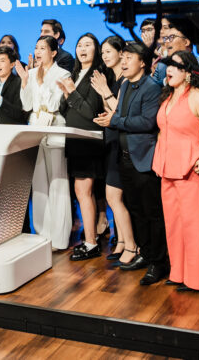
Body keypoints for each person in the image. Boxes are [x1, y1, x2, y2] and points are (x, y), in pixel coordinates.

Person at [95, 42, 166, 285]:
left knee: (153, 214)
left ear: (143, 62)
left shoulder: (152, 87)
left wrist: (114, 121)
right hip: (124, 159)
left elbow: (147, 122)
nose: (123, 62)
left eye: (129, 58)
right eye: (122, 58)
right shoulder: (125, 85)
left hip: (144, 160)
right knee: (136, 212)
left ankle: (158, 262)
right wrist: (113, 119)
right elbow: (123, 118)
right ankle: (144, 254)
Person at [153, 51, 199, 292]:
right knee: (173, 225)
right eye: (168, 66)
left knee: (194, 227)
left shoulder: (197, 96)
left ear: (188, 72)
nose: (169, 70)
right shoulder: (167, 97)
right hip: (167, 169)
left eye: (175, 66)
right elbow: (163, 131)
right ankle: (178, 273)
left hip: (193, 170)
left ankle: (197, 281)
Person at [18, 35, 72, 250]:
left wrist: (40, 83)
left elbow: (54, 103)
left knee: (58, 181)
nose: (38, 52)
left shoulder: (63, 73)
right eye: (36, 47)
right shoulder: (30, 73)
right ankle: (42, 233)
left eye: (43, 48)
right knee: (38, 181)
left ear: (54, 52)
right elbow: (27, 105)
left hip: (55, 126)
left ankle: (59, 237)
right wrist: (25, 83)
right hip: (36, 128)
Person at [57, 33, 108, 260]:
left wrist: (71, 92)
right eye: (79, 45)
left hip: (89, 141)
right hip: (74, 140)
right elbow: (65, 108)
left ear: (96, 50)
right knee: (80, 192)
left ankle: (91, 242)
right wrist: (67, 92)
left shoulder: (98, 75)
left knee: (84, 191)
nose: (82, 49)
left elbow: (91, 113)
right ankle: (89, 240)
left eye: (88, 45)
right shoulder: (76, 73)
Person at [91, 35, 137, 265]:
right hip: (111, 142)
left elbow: (120, 114)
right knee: (113, 197)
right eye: (102, 53)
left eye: (108, 51)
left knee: (114, 197)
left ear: (122, 53)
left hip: (123, 144)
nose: (104, 56)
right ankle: (121, 242)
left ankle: (131, 245)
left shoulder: (126, 81)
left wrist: (104, 92)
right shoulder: (114, 78)